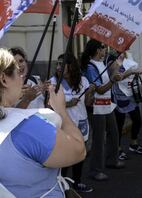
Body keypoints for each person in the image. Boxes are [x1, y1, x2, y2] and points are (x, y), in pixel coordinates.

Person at [0, 48, 86, 197]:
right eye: (18, 72)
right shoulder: (27, 127)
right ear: (4, 79)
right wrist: (61, 111)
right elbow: (79, 151)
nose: (22, 77)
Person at [51, 53, 95, 193]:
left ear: (71, 66)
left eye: (62, 64)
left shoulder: (83, 81)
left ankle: (77, 182)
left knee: (79, 153)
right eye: (57, 64)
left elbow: (88, 103)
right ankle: (62, 184)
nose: (58, 67)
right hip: (62, 123)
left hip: (80, 122)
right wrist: (69, 104)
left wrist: (90, 94)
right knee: (64, 155)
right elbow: (50, 105)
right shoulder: (53, 82)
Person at [81, 40, 123, 181]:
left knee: (114, 132)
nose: (106, 50)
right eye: (103, 47)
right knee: (99, 139)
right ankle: (95, 170)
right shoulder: (90, 67)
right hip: (96, 107)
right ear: (98, 50)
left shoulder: (102, 63)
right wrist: (112, 80)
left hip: (106, 105)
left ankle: (112, 160)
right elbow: (99, 88)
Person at [107, 51, 142, 160]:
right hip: (118, 94)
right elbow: (117, 77)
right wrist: (132, 71)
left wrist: (136, 72)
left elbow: (133, 71)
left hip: (130, 92)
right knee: (119, 122)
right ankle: (117, 148)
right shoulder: (111, 60)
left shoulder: (129, 55)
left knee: (137, 119)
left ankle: (134, 143)